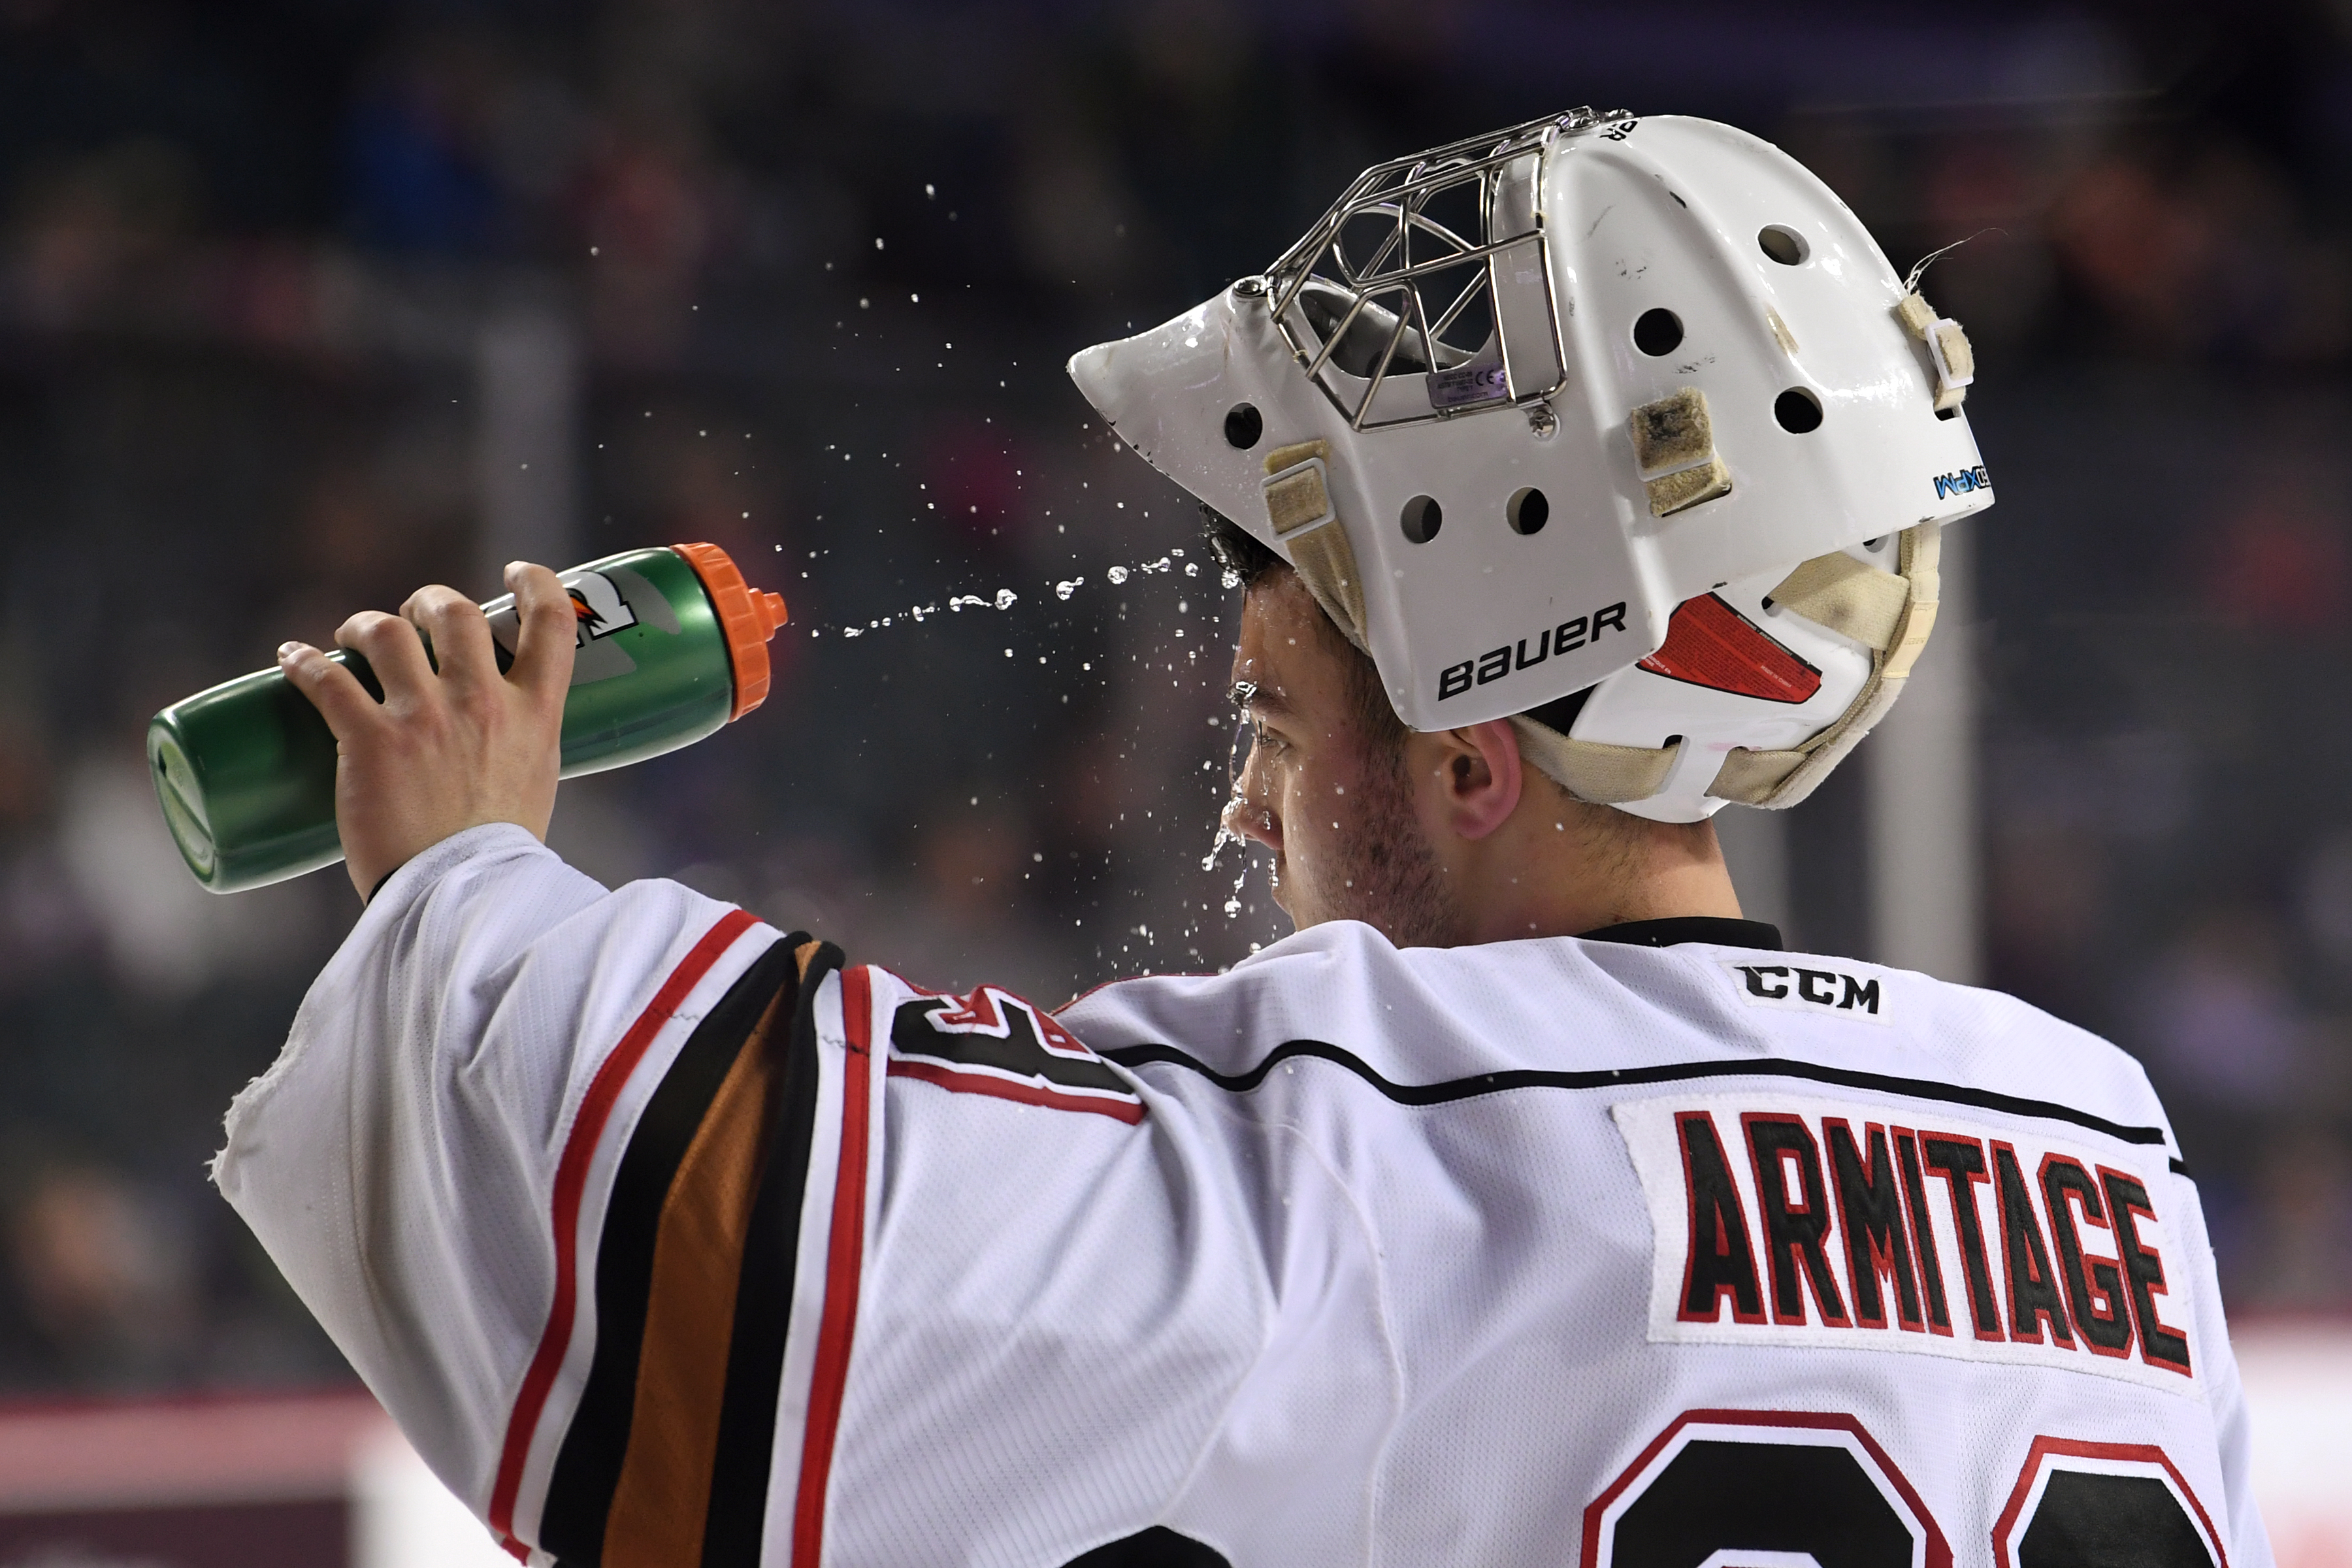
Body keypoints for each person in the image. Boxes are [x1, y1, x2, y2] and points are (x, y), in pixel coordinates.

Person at [216, 111, 2269, 1567]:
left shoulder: (1376, 1144)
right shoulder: (2109, 1156)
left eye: (1283, 722)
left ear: (1477, 762)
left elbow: (700, 1253)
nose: (1249, 800)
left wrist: (461, 868)